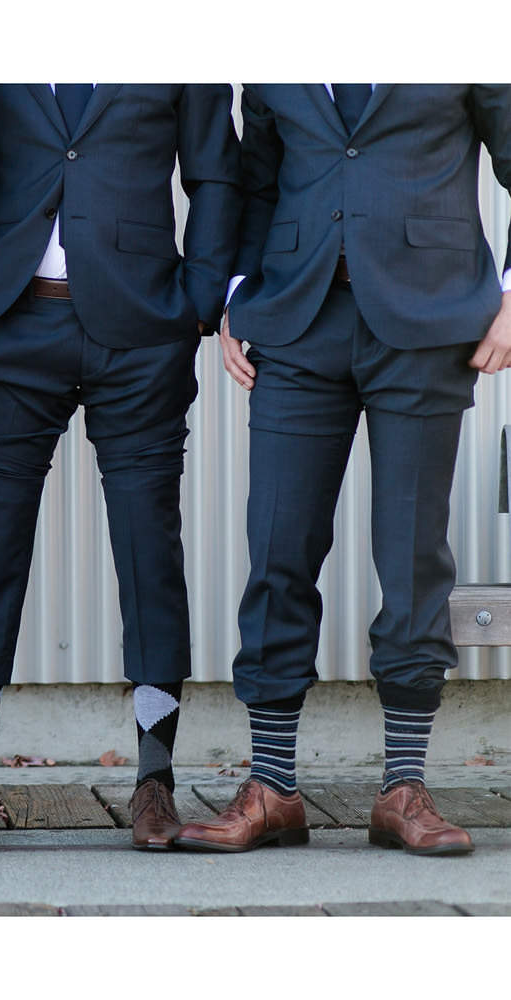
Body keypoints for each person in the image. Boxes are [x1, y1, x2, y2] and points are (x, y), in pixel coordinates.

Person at [175, 84, 511, 856]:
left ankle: (403, 787)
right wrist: (235, 294)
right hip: (297, 325)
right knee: (279, 549)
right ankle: (271, 786)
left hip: (428, 325)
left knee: (412, 556)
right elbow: (257, 179)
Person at [0, 85, 241, 852]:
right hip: (14, 318)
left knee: (148, 546)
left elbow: (216, 174)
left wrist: (199, 298)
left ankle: (155, 780)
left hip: (141, 330)